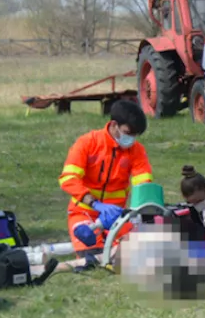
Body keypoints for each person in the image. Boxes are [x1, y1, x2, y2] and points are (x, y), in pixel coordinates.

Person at [57, 99, 153, 257]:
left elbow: (144, 183)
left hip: (117, 216)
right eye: (128, 133)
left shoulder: (137, 151)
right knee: (91, 256)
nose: (131, 139)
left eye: (135, 135)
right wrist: (94, 204)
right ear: (114, 125)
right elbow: (68, 179)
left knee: (137, 252)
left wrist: (143, 210)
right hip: (83, 212)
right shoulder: (87, 143)